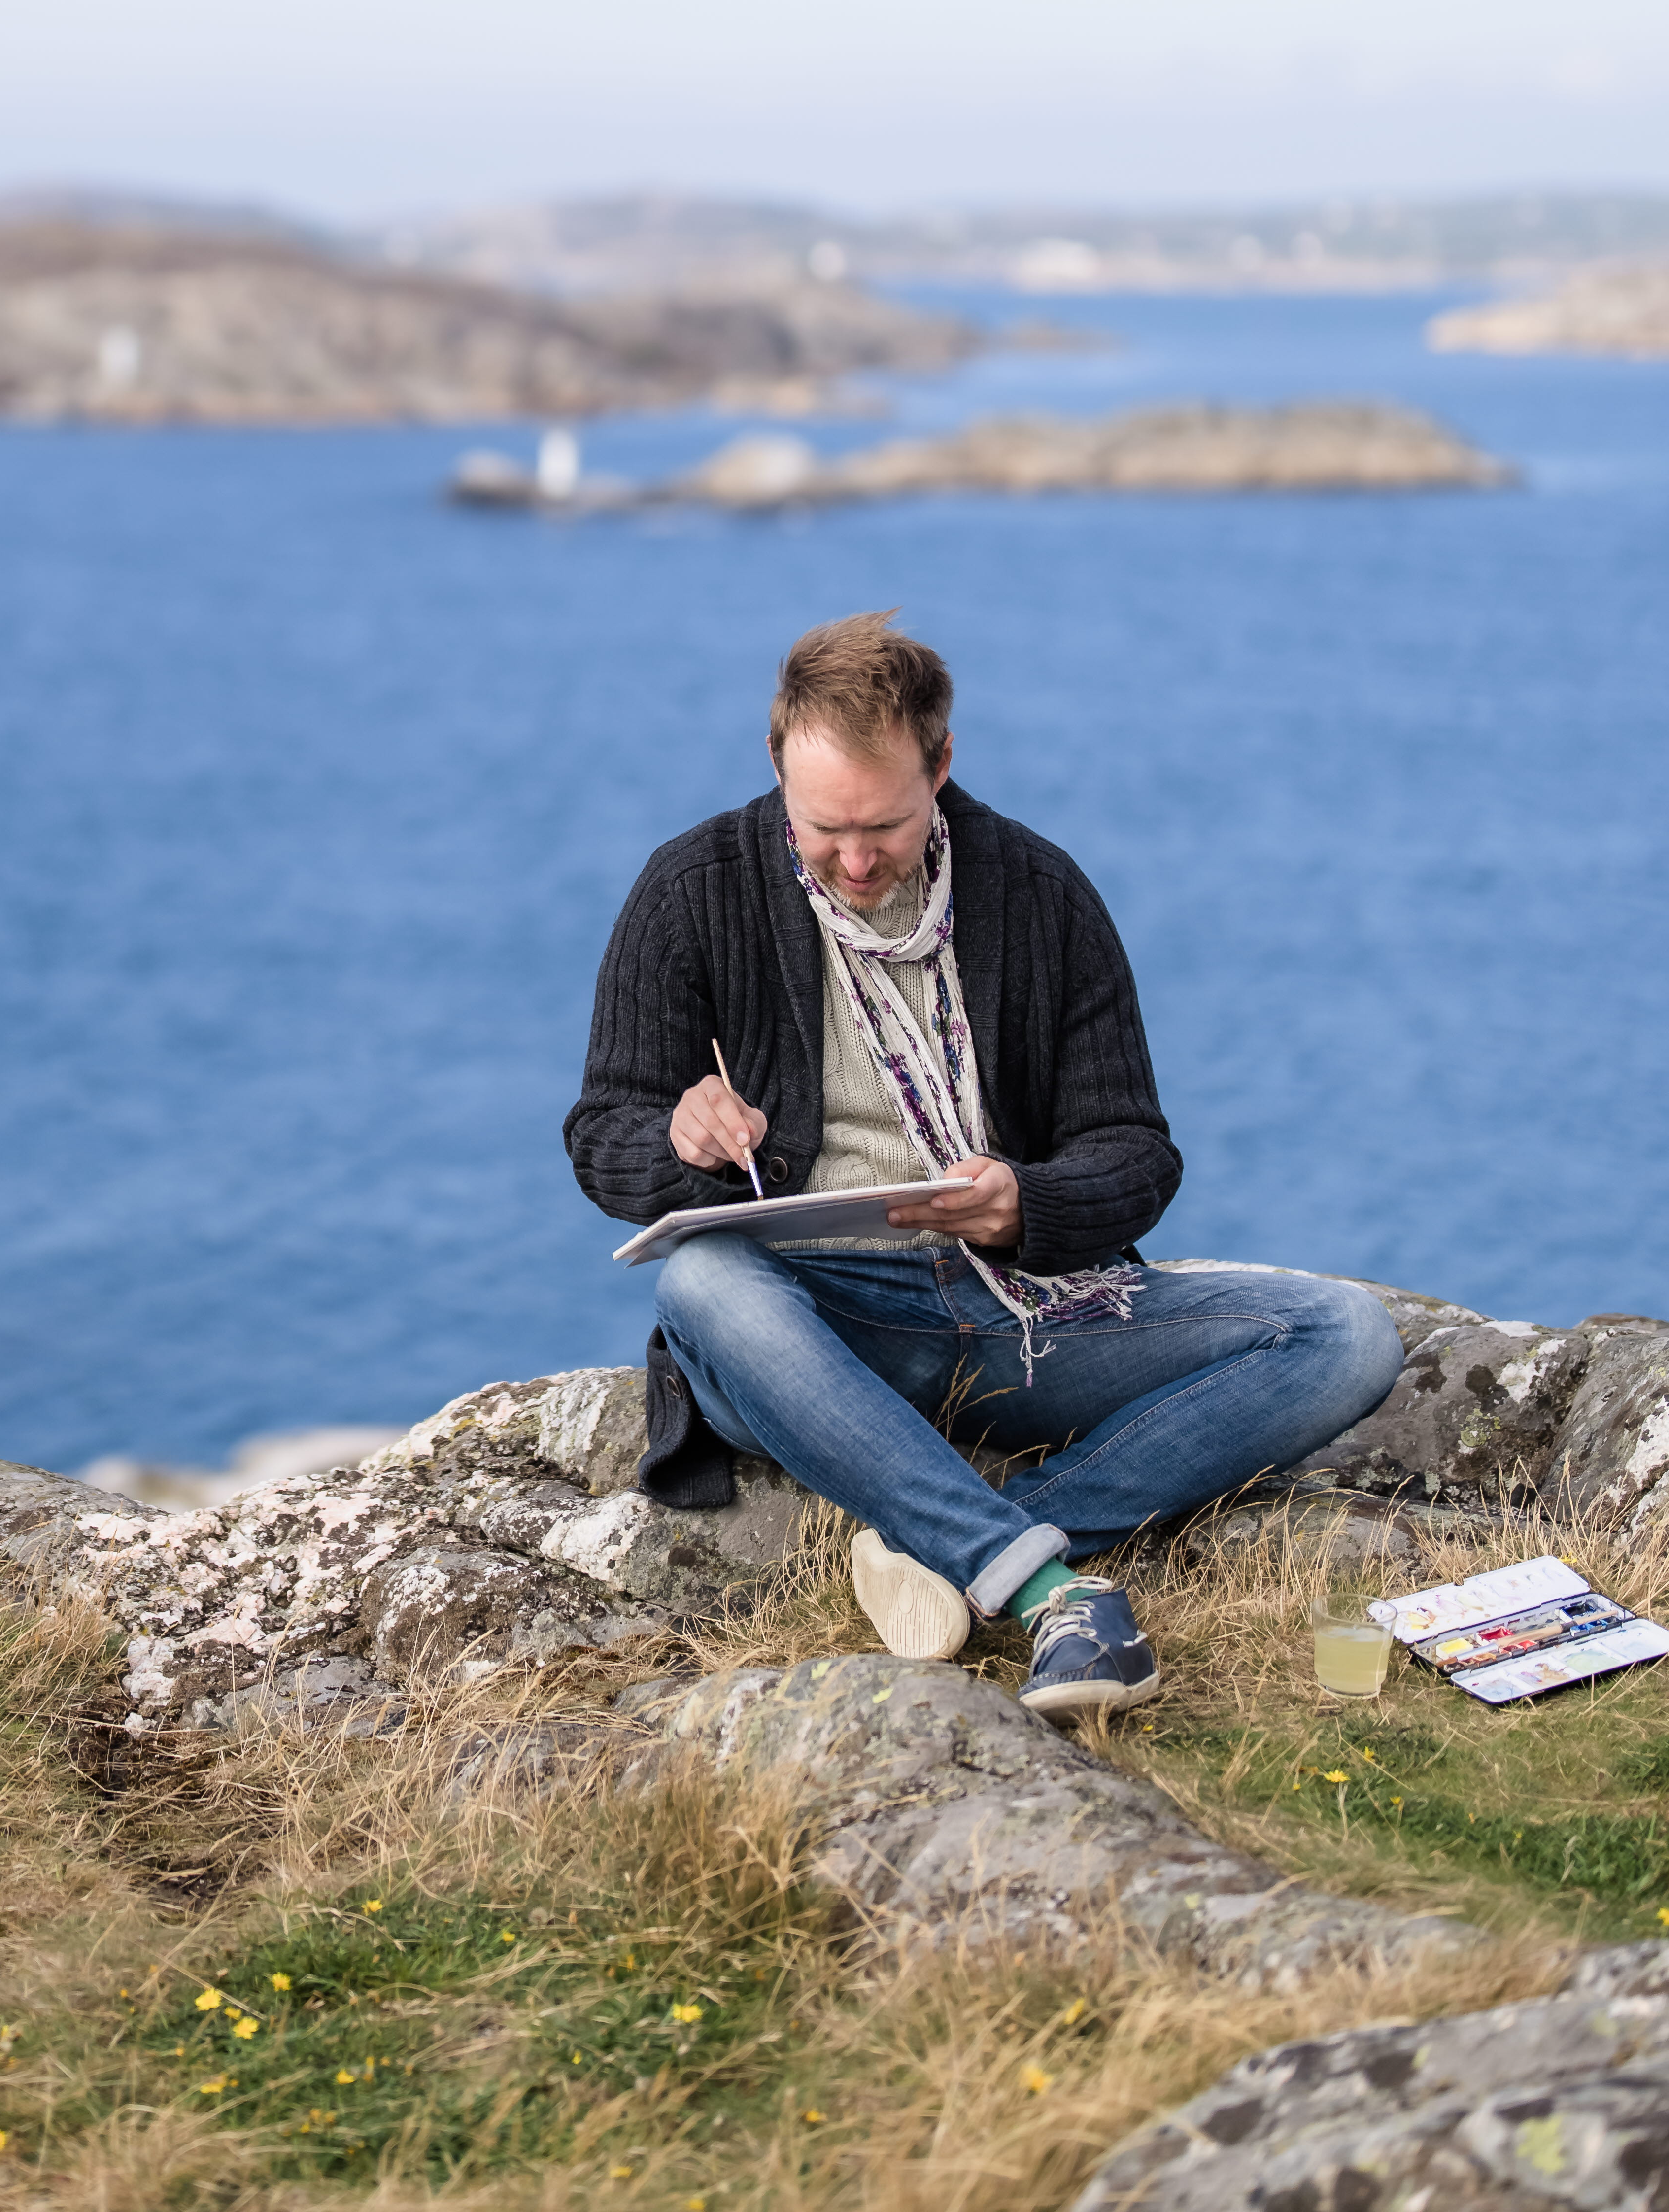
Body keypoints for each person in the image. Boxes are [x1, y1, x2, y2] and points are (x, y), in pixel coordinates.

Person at [562, 610, 1402, 1718]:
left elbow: (1137, 1154)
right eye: (824, 829)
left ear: (944, 765)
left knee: (1346, 1336)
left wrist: (1027, 1204)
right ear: (776, 767)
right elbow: (600, 1135)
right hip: (812, 1329)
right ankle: (1050, 1591)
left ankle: (944, 1543)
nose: (856, 861)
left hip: (1024, 1311)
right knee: (700, 1280)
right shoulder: (692, 891)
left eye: (888, 828)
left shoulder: (1038, 891)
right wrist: (678, 1136)